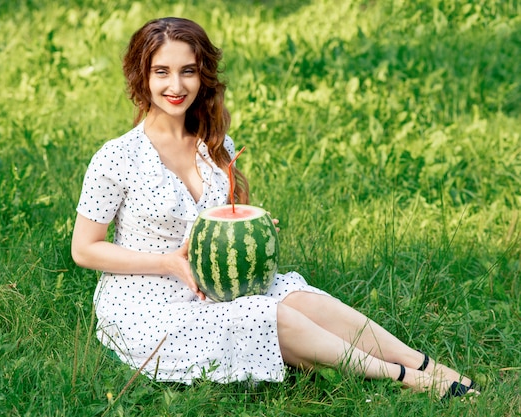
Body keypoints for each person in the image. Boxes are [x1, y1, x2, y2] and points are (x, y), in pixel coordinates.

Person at [71, 17, 478, 400]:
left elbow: (221, 221)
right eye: (161, 71)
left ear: (203, 75)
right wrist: (171, 264)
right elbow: (85, 249)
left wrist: (250, 233)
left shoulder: (216, 145)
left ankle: (421, 361)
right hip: (147, 303)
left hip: (217, 286)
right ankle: (407, 378)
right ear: (141, 75)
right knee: (268, 315)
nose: (176, 85)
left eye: (188, 71)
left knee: (303, 298)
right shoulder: (117, 157)